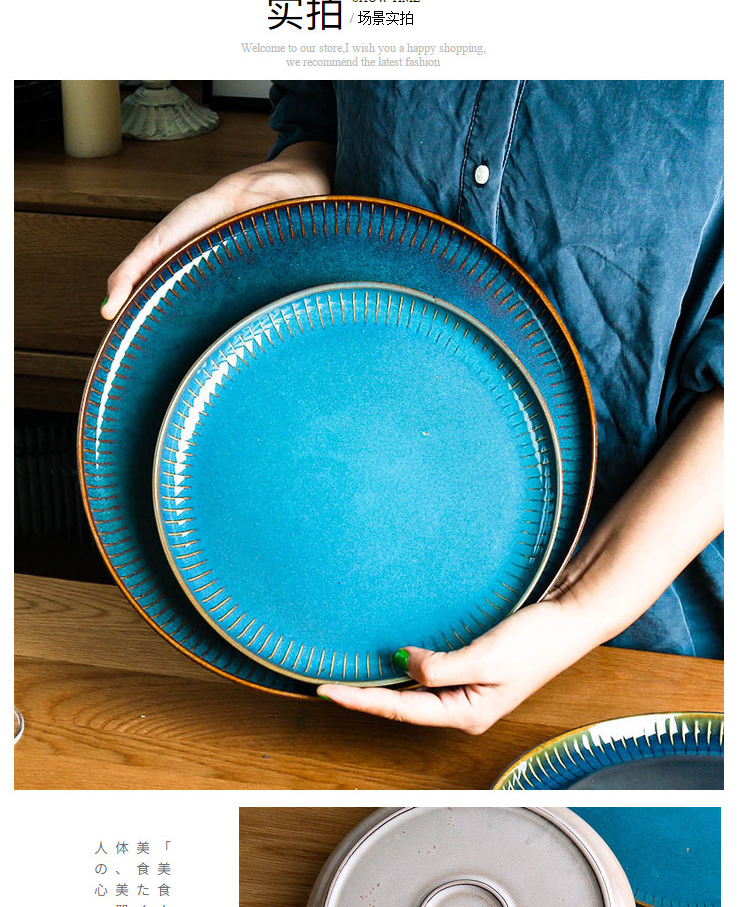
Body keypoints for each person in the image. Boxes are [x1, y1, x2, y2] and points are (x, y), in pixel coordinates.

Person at [102, 81, 724, 734]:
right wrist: (294, 171)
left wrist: (578, 607)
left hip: (640, 648)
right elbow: (323, 106)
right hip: (290, 604)